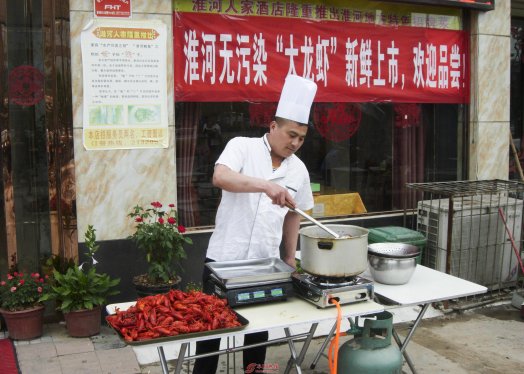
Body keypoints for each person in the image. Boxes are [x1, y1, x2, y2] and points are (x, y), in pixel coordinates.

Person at [192, 75, 318, 374]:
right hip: (225, 258)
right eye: (290, 134)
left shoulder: (298, 170)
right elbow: (220, 177)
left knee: (257, 335)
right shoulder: (242, 147)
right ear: (272, 126)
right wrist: (265, 185)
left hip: (266, 263)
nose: (295, 143)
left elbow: (294, 214)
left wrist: (289, 258)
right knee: (210, 333)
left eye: (301, 138)